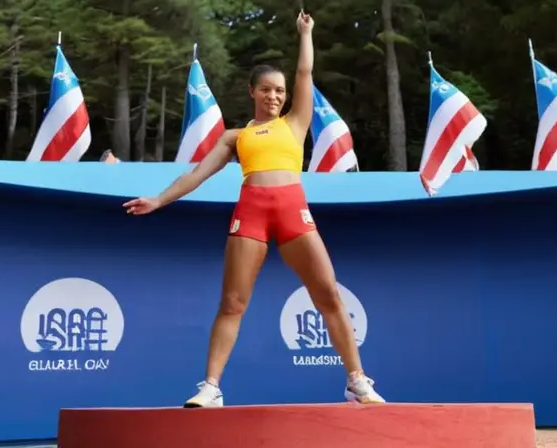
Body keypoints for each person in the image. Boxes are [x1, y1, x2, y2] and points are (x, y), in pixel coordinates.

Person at [122, 11, 385, 408]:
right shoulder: (236, 136)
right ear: (252, 92)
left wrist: (306, 33)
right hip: (252, 215)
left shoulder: (296, 122)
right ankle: (210, 388)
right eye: (266, 89)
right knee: (233, 303)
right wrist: (159, 200)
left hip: (294, 212)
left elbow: (304, 71)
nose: (275, 96)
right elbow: (197, 175)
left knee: (329, 294)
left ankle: (356, 381)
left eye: (279, 90)